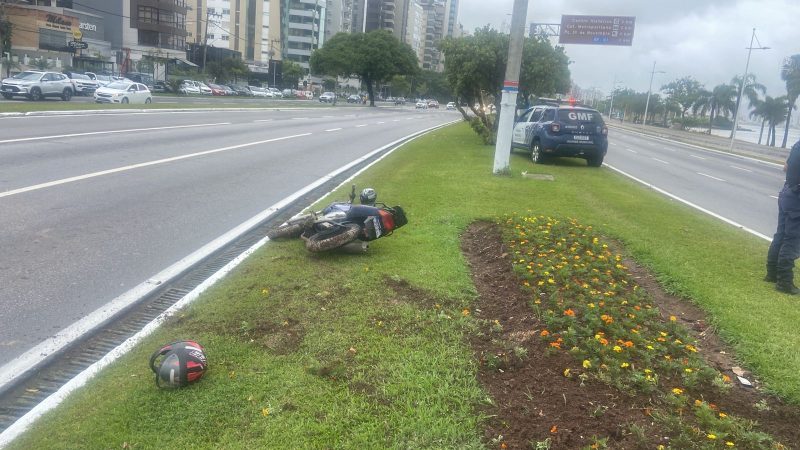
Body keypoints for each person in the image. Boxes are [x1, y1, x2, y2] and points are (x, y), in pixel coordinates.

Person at [766, 138, 800, 294]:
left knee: (780, 235)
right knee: (791, 240)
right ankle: (784, 282)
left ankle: (772, 273)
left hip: (787, 193)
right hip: (796, 198)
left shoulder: (797, 145)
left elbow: (785, 167)